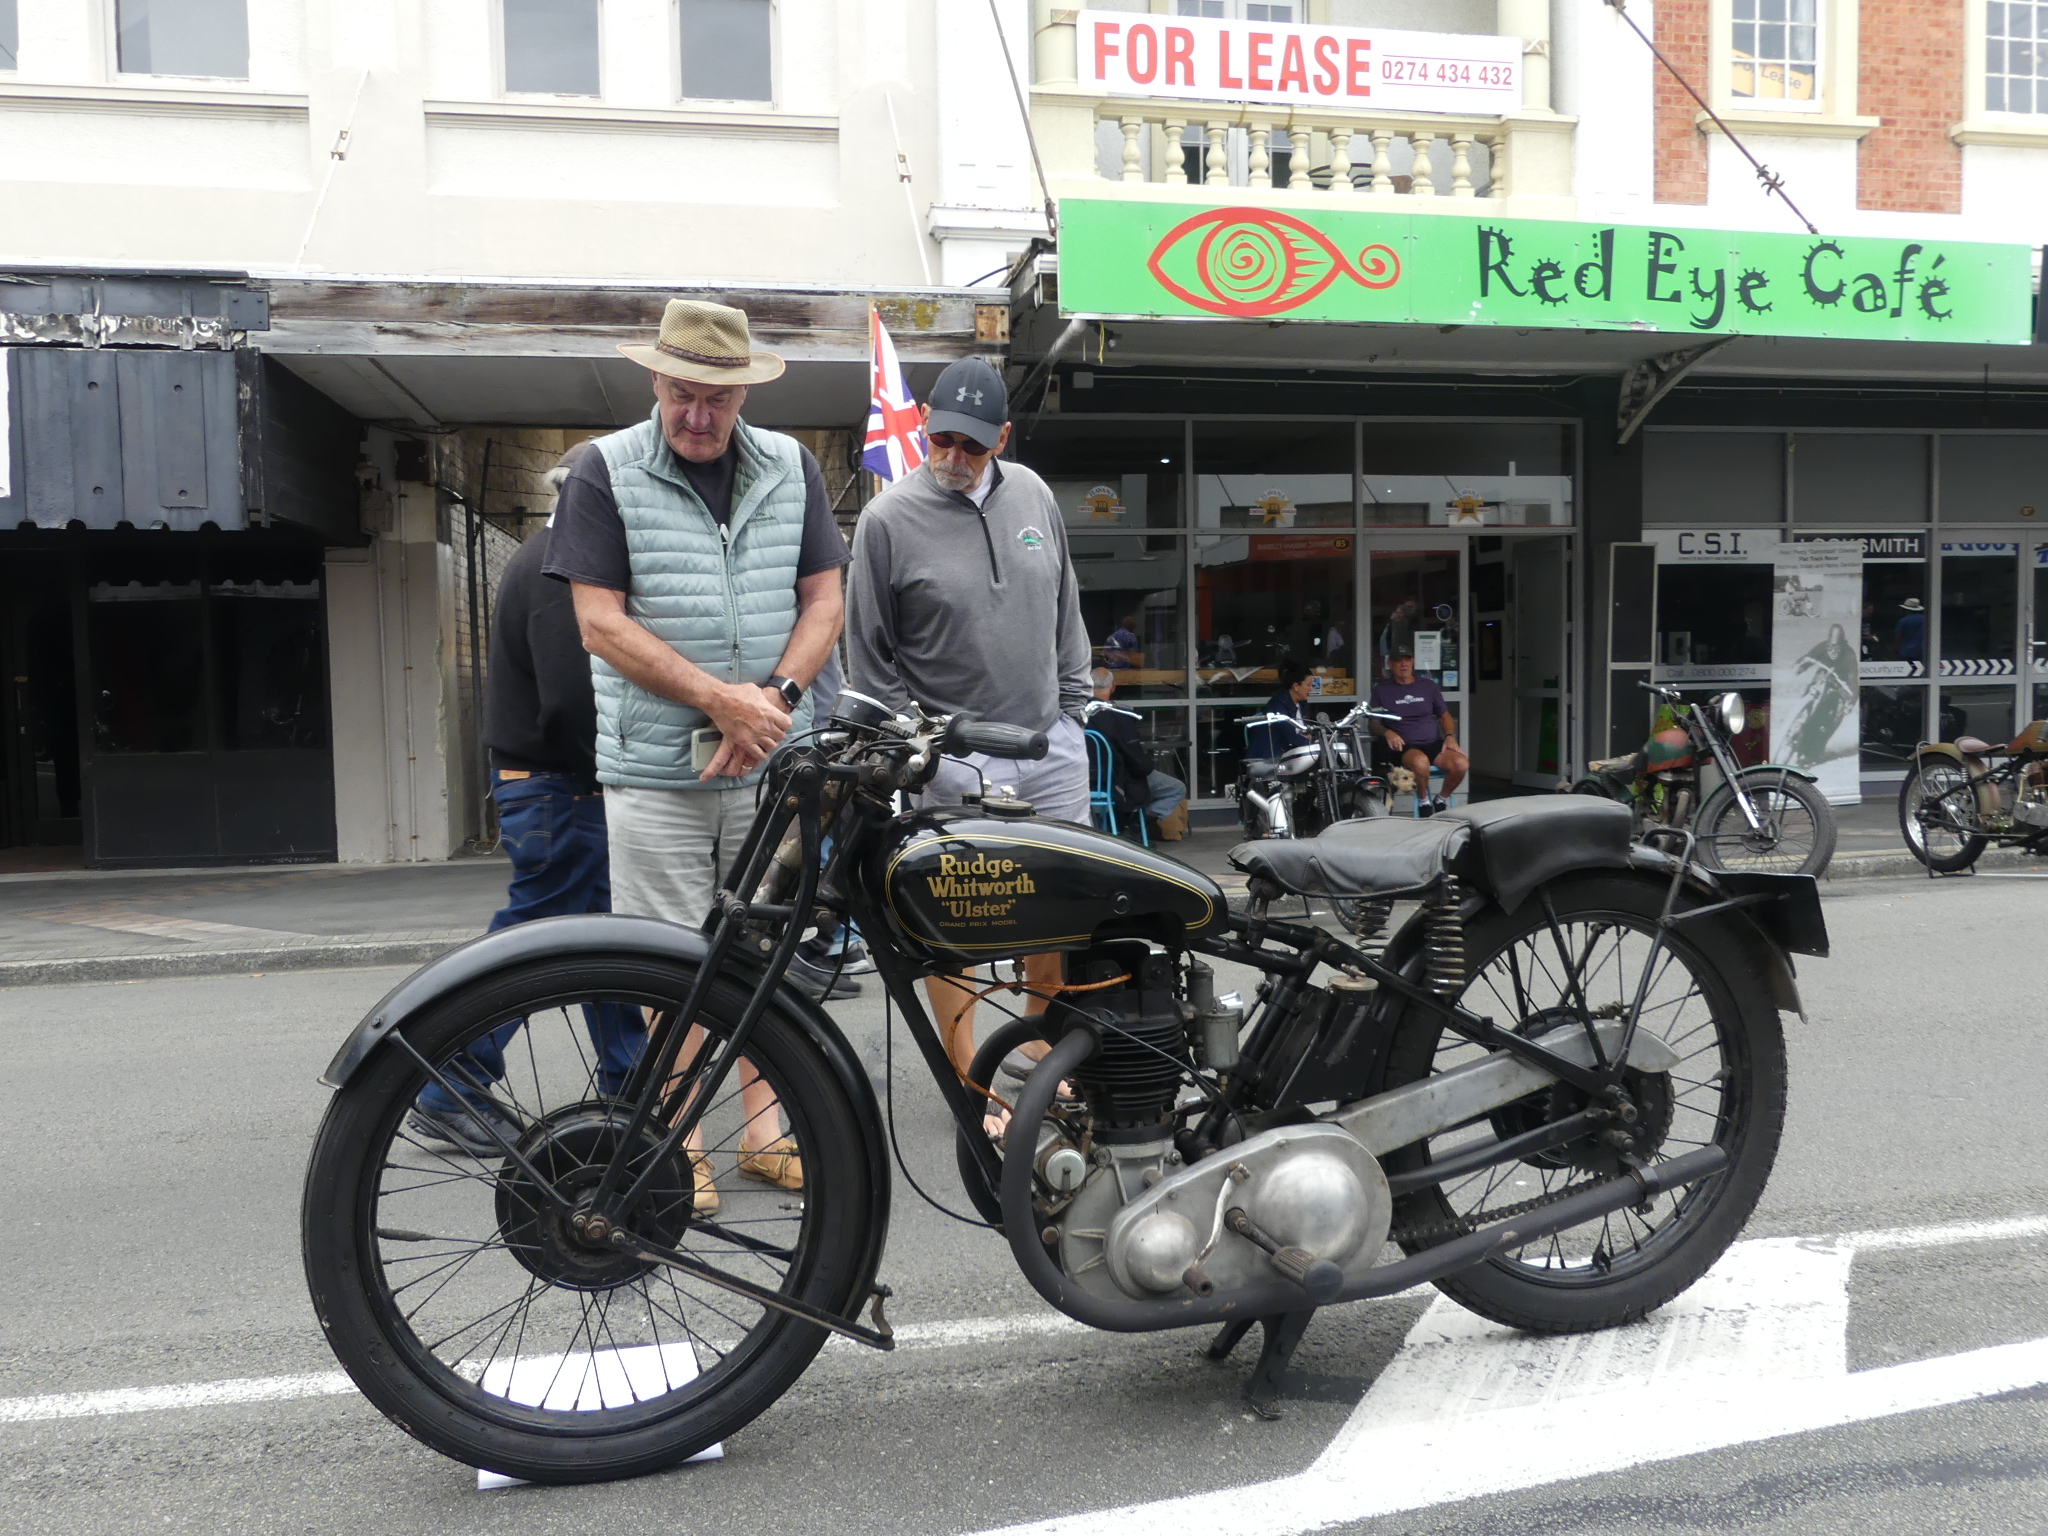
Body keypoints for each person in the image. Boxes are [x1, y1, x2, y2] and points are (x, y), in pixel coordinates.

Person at [549, 297, 849, 1212]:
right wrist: (722, 700)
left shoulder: (792, 466)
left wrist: (777, 704)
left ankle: (765, 1131)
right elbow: (599, 625)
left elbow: (826, 601)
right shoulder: (603, 471)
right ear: (657, 381)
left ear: (743, 392)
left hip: (769, 758)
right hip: (654, 771)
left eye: (718, 398)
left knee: (764, 953)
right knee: (670, 966)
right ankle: (679, 1143)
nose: (699, 415)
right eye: (684, 393)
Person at [845, 355, 1092, 1091]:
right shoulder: (887, 518)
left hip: (1049, 743)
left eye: (971, 445)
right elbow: (870, 652)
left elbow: (1065, 605)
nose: (953, 457)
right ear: (923, 424)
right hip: (953, 757)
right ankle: (965, 1076)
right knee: (955, 916)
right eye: (941, 438)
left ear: (1003, 439)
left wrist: (1074, 713)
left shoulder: (1036, 497)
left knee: (1060, 906)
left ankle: (1043, 1050)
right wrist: (919, 749)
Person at [407, 441, 645, 1158]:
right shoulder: (557, 566)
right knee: (534, 948)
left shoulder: (544, 558)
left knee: (602, 938)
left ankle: (629, 1082)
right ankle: (449, 1088)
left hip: (548, 787)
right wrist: (613, 773)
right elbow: (571, 701)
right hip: (562, 786)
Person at [1369, 648, 1468, 813]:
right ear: (1390, 664)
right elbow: (1373, 723)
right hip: (1405, 747)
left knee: (1461, 764)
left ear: (1413, 662)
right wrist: (1388, 732)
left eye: (1407, 660)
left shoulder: (1428, 686)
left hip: (1433, 743)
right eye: (1399, 661)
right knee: (1420, 763)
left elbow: (1445, 716)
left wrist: (1450, 736)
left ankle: (1441, 799)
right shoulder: (1382, 690)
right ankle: (1424, 802)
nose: (1403, 664)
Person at [1086, 668, 1186, 829]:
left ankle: (1119, 825)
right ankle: (1135, 827)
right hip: (1119, 781)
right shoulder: (1119, 717)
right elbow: (1138, 763)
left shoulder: (1076, 714)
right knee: (1176, 788)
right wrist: (1148, 765)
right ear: (1113, 687)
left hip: (1085, 780)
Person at [1896, 596, 1926, 663]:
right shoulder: (1925, 619)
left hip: (1906, 652)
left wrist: (1896, 649)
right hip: (1922, 650)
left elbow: (1898, 636)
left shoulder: (1903, 621)